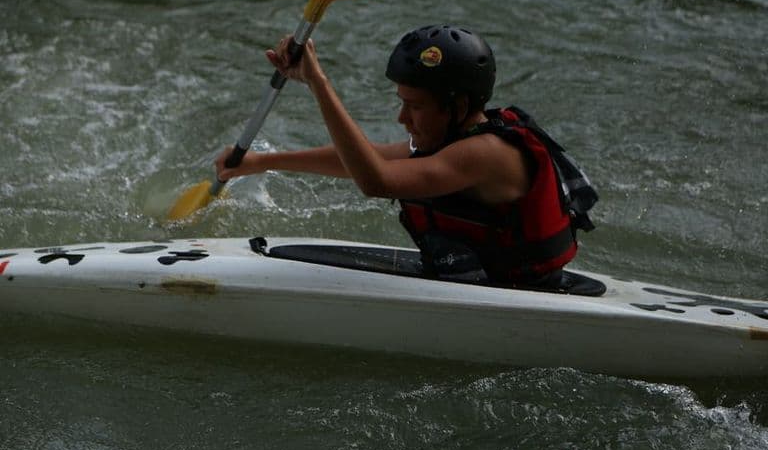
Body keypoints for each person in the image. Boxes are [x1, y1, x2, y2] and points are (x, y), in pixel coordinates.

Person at [216, 25, 584, 289]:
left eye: (415, 106)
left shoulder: (484, 153)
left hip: (524, 290)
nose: (402, 118)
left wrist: (319, 84)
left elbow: (377, 180)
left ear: (456, 106)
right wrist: (263, 161)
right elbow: (369, 157)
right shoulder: (456, 140)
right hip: (480, 276)